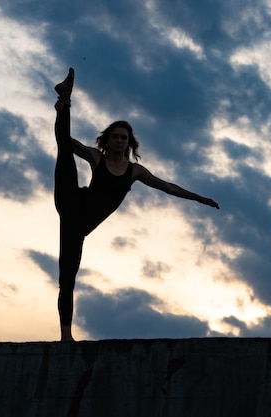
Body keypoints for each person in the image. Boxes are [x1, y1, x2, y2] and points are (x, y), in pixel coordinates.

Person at [53, 68, 219, 341]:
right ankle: (65, 100)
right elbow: (63, 139)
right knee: (63, 148)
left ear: (129, 143)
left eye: (124, 137)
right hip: (70, 200)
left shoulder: (135, 172)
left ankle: (65, 335)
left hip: (79, 225)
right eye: (115, 136)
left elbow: (168, 187)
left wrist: (199, 198)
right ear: (107, 140)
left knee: (68, 277)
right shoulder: (96, 157)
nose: (119, 140)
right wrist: (61, 114)